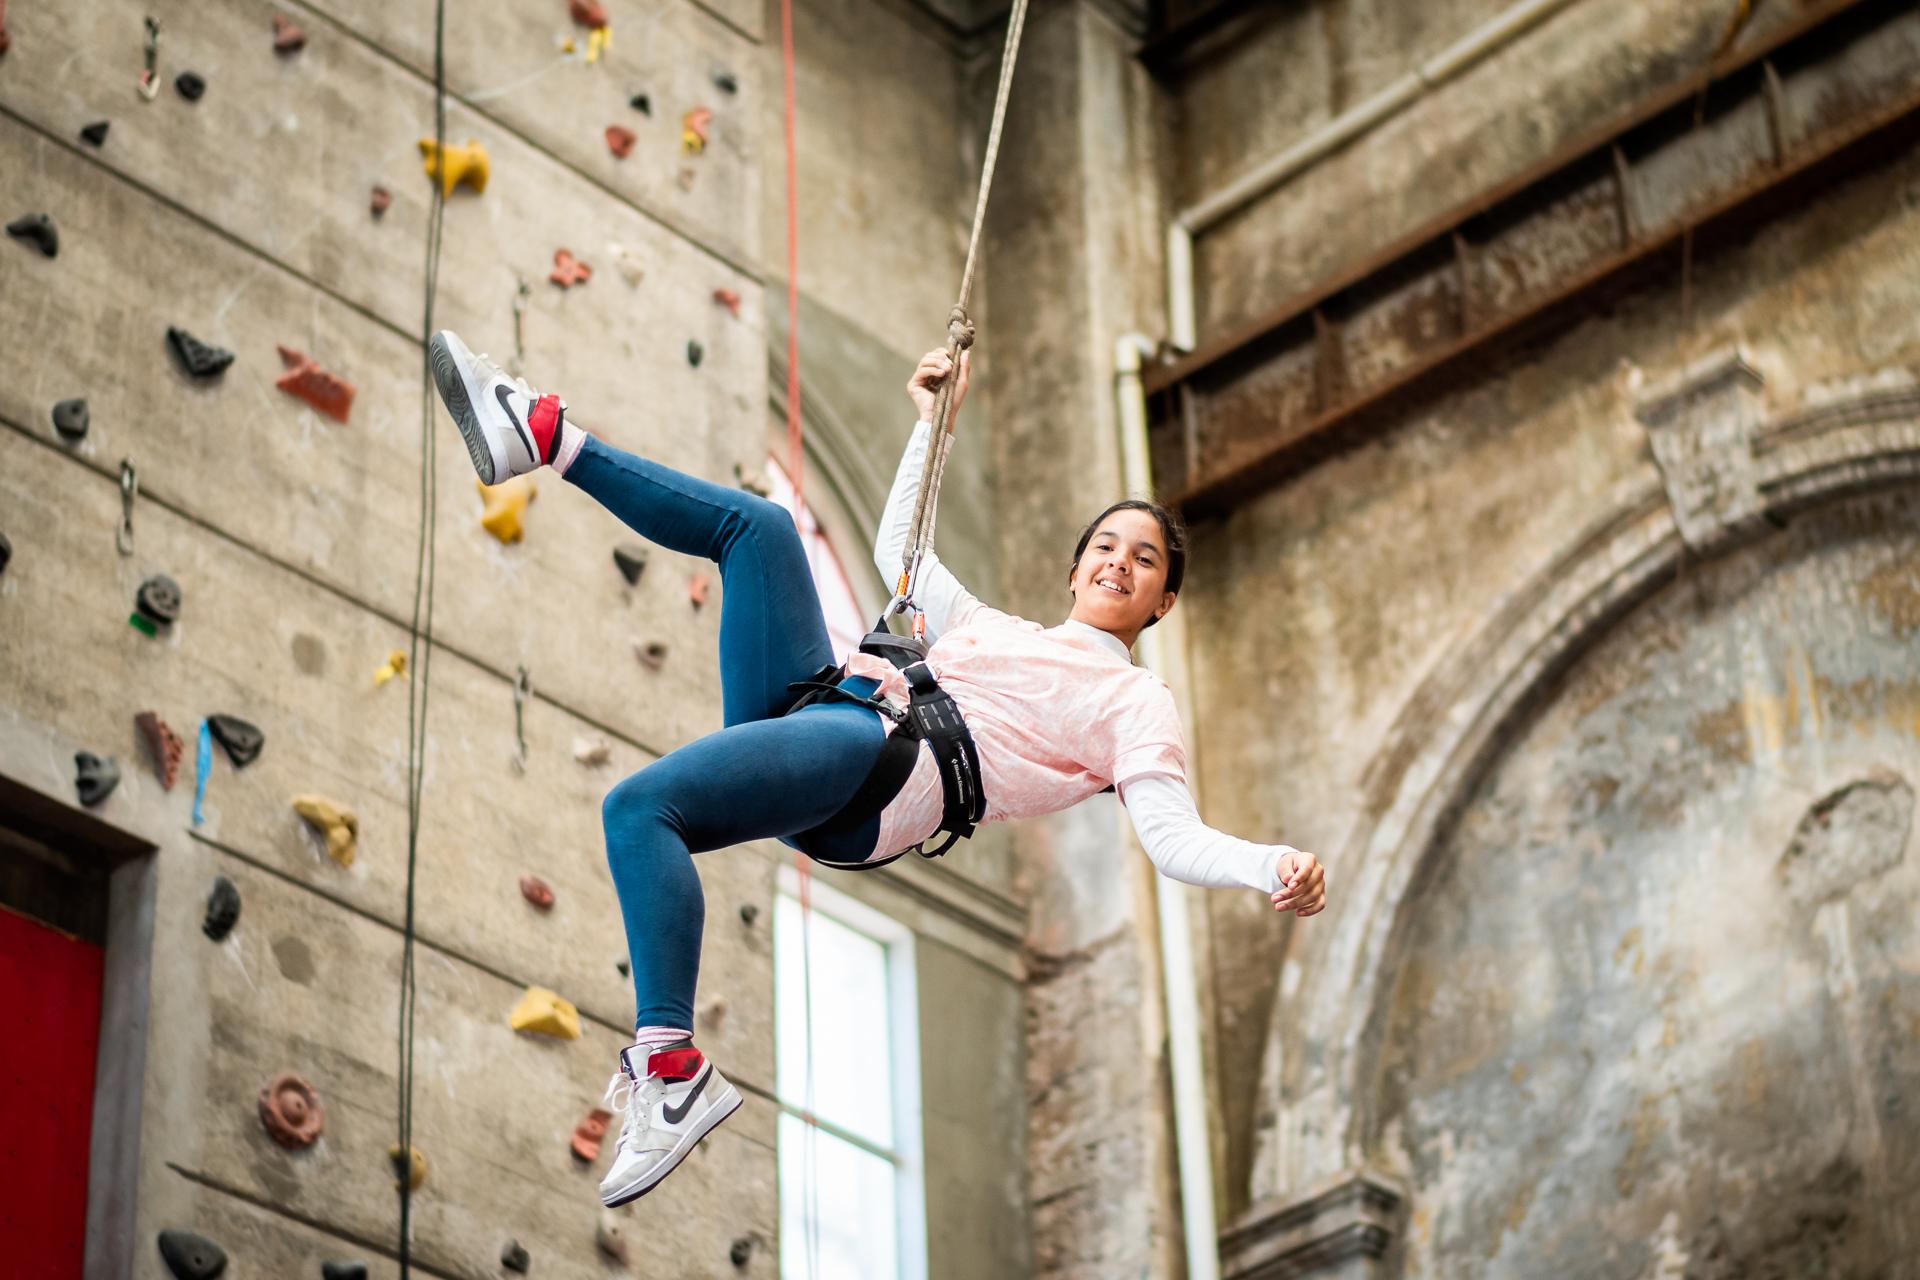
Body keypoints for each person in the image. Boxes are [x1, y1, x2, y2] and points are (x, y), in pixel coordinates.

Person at [426, 330, 1328, 1209]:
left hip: (880, 772)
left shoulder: (1135, 703)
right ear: (1075, 567)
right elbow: (903, 549)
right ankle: (541, 436)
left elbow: (1171, 840)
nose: (1119, 563)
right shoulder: (993, 629)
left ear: (1163, 599)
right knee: (761, 527)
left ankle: (672, 1070)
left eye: (1144, 560)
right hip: (832, 722)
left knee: (638, 809)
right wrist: (933, 421)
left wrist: (1267, 865)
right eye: (1106, 546)